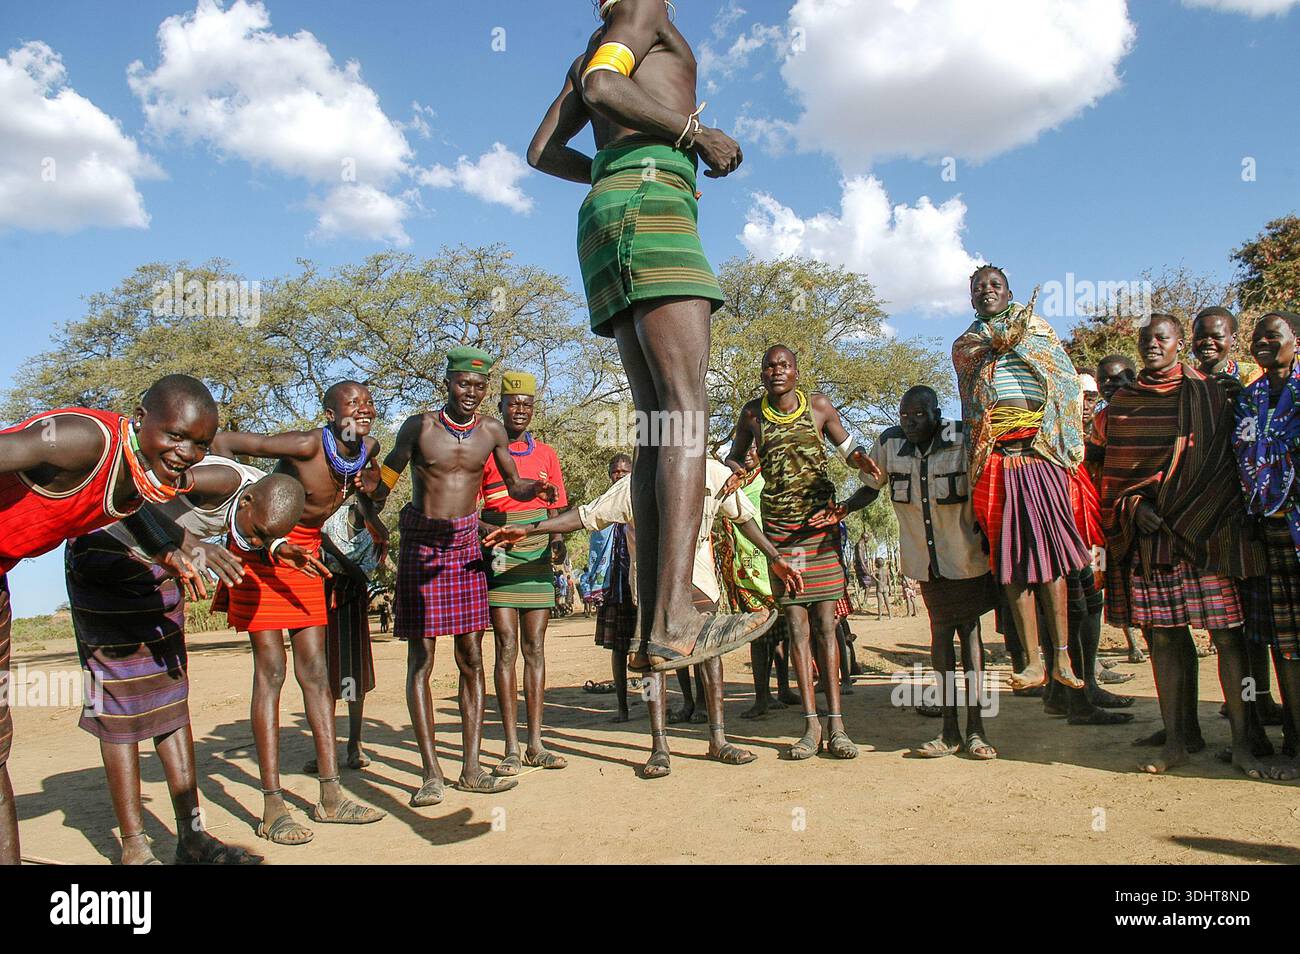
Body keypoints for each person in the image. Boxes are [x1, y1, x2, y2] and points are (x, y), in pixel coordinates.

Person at [529, 0, 764, 673]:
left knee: (660, 424)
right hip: (651, 203)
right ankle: (674, 617)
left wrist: (608, 170)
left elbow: (542, 151)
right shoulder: (645, 8)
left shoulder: (593, 47)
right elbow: (605, 88)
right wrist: (695, 134)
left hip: (610, 214)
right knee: (686, 415)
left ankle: (658, 623)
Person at [0, 375, 231, 865]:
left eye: (200, 444)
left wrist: (171, 547)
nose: (186, 452)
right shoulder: (81, 438)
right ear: (141, 417)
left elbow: (130, 505)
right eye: (175, 435)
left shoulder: (135, 476)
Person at [487, 456, 802, 777]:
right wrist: (529, 528)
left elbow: (743, 517)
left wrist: (774, 556)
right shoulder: (637, 481)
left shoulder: (713, 473)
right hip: (653, 582)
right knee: (654, 661)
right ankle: (659, 746)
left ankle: (718, 738)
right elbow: (585, 516)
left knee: (711, 655)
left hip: (701, 578)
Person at [69, 461, 303, 865]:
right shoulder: (216, 480)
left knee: (173, 705)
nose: (256, 542)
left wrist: (274, 546)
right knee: (118, 709)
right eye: (260, 533)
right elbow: (131, 499)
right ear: (246, 500)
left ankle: (192, 840)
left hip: (160, 571)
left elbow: (245, 529)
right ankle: (135, 847)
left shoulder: (255, 500)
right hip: (104, 558)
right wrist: (190, 545)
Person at [372, 347, 555, 805]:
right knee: (422, 659)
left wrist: (536, 488)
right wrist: (370, 498)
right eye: (462, 384)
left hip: (466, 545)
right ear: (449, 382)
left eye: (478, 386)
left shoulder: (491, 431)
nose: (470, 393)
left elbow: (513, 485)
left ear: (485, 389)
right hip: (422, 545)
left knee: (472, 657)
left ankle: (471, 768)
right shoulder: (419, 427)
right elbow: (390, 475)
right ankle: (431, 773)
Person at [211, 380, 388, 844]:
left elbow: (359, 489)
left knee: (317, 672)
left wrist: (375, 521)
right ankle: (273, 806)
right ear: (330, 413)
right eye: (352, 403)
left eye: (368, 401)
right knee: (271, 673)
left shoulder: (368, 446)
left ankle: (331, 796)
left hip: (306, 554)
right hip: (261, 555)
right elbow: (224, 442)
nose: (363, 408)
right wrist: (249, 499)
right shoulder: (306, 444)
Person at [1097, 314, 1266, 776]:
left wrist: (1195, 511)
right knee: (1166, 641)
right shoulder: (1125, 403)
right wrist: (1134, 508)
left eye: (1162, 339)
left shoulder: (1212, 395)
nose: (1153, 345)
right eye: (1146, 339)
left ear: (1178, 345)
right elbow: (1114, 476)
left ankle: (1244, 743)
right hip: (1152, 541)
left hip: (1207, 535)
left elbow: (1224, 466)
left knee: (1228, 639)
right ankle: (1175, 742)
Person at [723, 345, 881, 760]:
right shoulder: (752, 414)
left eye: (784, 365)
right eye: (769, 365)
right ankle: (810, 727)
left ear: (796, 371)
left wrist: (862, 458)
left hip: (820, 527)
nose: (776, 371)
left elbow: (849, 453)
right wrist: (740, 469)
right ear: (762, 373)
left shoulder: (819, 407)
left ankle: (837, 725)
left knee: (827, 627)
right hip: (781, 533)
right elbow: (733, 458)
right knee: (796, 628)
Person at [832, 386, 999, 758]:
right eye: (904, 416)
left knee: (970, 639)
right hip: (925, 562)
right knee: (940, 638)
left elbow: (988, 485)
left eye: (918, 415)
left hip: (966, 558)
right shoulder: (890, 444)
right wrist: (844, 508)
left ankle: (977, 730)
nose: (909, 423)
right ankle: (949, 731)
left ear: (936, 414)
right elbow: (872, 487)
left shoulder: (962, 438)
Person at [952, 266, 1089, 692]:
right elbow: (972, 409)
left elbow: (1065, 382)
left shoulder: (1037, 330)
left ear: (1009, 292)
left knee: (1049, 560)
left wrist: (1062, 442)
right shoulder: (967, 347)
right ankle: (1031, 661)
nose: (986, 291)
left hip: (1040, 453)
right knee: (1009, 563)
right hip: (996, 458)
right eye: (978, 288)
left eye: (994, 286)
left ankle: (1062, 657)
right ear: (971, 299)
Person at [480, 370, 571, 774]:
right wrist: (493, 533)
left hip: (536, 553)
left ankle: (536, 743)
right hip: (499, 552)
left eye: (527, 404)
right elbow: (470, 510)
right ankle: (511, 748)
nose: (520, 409)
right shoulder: (484, 453)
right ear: (498, 406)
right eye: (513, 403)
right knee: (506, 647)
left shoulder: (547, 455)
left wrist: (555, 544)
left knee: (535, 647)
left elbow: (558, 512)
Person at [1193, 307, 1281, 724]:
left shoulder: (1253, 377)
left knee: (1259, 620)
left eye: (1216, 335)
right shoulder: (1187, 382)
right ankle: (1243, 703)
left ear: (1232, 336)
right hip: (1211, 517)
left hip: (1256, 513)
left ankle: (1259, 701)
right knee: (1229, 620)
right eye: (1200, 336)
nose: (1207, 343)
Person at [1235, 311, 1300, 779]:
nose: (1263, 343)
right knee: (1288, 644)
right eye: (1257, 337)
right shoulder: (1250, 398)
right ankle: (1295, 742)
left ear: (1295, 341)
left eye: (1273, 336)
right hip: (1270, 530)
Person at [301, 499, 381, 775]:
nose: (377, 505)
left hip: (351, 603)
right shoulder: (330, 516)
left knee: (352, 675)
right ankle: (325, 750)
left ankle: (354, 743)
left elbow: (362, 576)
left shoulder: (375, 536)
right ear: (358, 498)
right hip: (321, 598)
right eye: (373, 500)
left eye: (381, 501)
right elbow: (312, 547)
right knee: (322, 674)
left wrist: (332, 550)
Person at [1089, 355, 1145, 665]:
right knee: (1104, 586)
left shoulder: (1147, 412)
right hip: (1109, 517)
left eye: (1119, 379)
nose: (1111, 386)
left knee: (1150, 594)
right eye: (1105, 381)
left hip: (1144, 517)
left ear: (1134, 379)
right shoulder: (1101, 420)